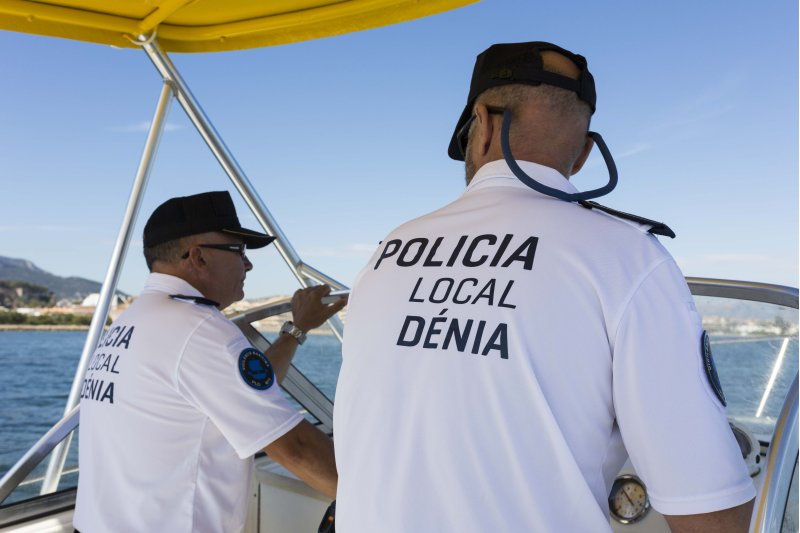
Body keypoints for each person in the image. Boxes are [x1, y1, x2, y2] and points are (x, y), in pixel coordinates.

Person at [333, 42, 755, 532]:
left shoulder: (390, 248)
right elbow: (711, 510)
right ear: (585, 154)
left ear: (482, 124)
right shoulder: (627, 256)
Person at [73, 190, 346, 532]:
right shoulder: (198, 328)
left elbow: (247, 390)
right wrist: (383, 502)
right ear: (198, 257)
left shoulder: (134, 320)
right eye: (239, 251)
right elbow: (296, 447)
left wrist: (296, 330)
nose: (248, 264)